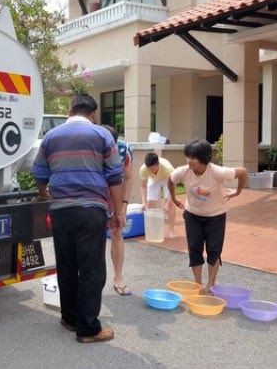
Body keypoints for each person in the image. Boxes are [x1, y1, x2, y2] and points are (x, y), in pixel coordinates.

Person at [32, 93, 124, 344]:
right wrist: (117, 212)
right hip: (91, 209)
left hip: (60, 211)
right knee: (92, 268)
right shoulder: (102, 135)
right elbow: (115, 176)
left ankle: (70, 317)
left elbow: (39, 172)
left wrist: (44, 193)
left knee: (67, 264)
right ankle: (88, 329)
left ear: (71, 111)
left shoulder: (51, 136)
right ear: (93, 113)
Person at [168, 138, 247, 295]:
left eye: (193, 157)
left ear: (204, 159)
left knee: (213, 250)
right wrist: (174, 198)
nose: (189, 161)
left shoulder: (217, 172)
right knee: (195, 249)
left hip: (216, 216)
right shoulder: (183, 171)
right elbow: (170, 180)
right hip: (192, 215)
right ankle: (197, 283)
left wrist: (237, 192)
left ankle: (211, 284)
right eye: (188, 156)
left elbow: (243, 172)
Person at [103, 125, 134, 296]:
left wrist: (123, 206)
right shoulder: (91, 147)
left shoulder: (124, 149)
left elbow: (128, 178)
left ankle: (118, 278)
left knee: (117, 232)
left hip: (116, 194)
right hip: (94, 195)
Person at [140, 152, 176, 238]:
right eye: (149, 169)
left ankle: (171, 230)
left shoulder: (168, 169)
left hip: (167, 179)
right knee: (150, 204)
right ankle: (153, 230)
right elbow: (143, 187)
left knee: (170, 204)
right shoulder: (144, 169)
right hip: (154, 180)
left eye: (153, 169)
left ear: (158, 164)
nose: (150, 171)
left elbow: (173, 188)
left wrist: (167, 204)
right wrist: (144, 202)